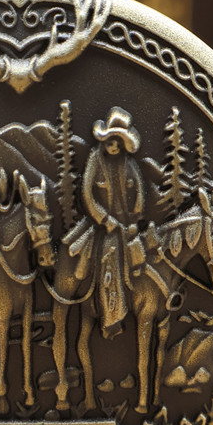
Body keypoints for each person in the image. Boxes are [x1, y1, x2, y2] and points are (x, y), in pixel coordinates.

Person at [67, 107, 146, 338]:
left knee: (144, 260)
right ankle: (112, 318)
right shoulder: (95, 160)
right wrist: (104, 219)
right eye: (111, 141)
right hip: (105, 227)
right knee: (110, 261)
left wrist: (136, 218)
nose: (114, 146)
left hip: (127, 225)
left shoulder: (129, 164)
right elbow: (87, 194)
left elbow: (139, 193)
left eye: (118, 142)